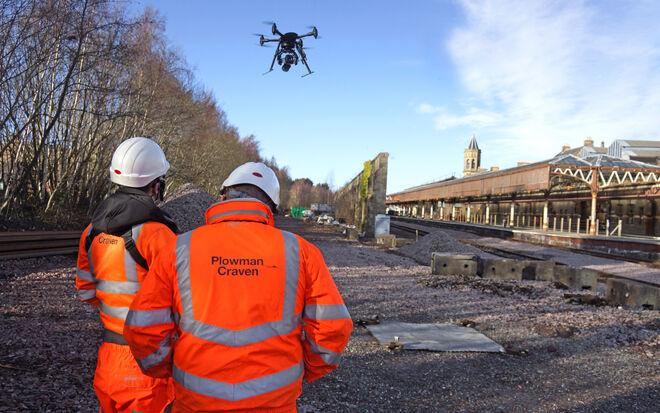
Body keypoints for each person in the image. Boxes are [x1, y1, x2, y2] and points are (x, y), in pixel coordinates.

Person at [124, 162, 353, 412]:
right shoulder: (301, 251)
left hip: (195, 403)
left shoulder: (179, 249)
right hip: (274, 404)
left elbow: (142, 327)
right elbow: (333, 327)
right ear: (271, 208)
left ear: (223, 196)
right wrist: (305, 368)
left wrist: (172, 368)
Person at [76, 137, 178, 413]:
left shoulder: (91, 232)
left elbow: (86, 292)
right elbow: (183, 301)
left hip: (109, 357)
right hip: (147, 360)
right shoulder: (158, 235)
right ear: (156, 185)